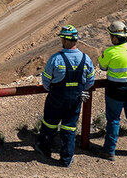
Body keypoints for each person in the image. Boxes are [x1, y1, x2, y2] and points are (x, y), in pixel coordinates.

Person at [36, 25, 95, 167]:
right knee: (69, 128)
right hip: (75, 99)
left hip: (56, 98)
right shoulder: (86, 59)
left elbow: (46, 80)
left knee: (49, 124)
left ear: (65, 40)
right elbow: (90, 81)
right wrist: (78, 91)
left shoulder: (56, 59)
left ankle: (45, 149)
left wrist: (53, 90)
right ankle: (66, 158)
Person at [98, 20, 127, 160]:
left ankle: (109, 150)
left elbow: (102, 67)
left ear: (115, 38)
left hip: (116, 92)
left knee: (113, 120)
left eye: (111, 36)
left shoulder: (110, 52)